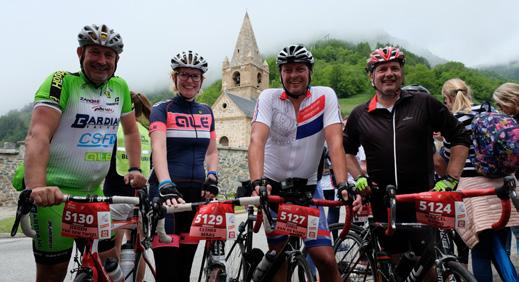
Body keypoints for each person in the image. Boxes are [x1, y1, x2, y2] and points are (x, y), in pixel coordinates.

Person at [24, 24, 146, 282]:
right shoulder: (61, 82)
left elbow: (132, 132)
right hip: (54, 193)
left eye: (109, 55)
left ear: (117, 60)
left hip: (93, 193)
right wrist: (36, 186)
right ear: (80, 52)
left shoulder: (120, 87)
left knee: (107, 263)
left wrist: (135, 168)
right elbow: (38, 135)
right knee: (52, 272)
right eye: (95, 52)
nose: (102, 61)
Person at [343, 46, 470, 277]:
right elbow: (346, 151)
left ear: (402, 73)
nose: (388, 73)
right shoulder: (360, 114)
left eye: (394, 68)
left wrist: (451, 179)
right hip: (383, 200)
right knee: (394, 266)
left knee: (426, 268)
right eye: (381, 69)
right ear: (371, 76)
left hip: (421, 198)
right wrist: (358, 177)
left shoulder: (423, 103)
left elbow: (460, 136)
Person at [248, 44, 357, 282]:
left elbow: (335, 142)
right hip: (272, 188)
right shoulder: (269, 97)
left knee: (326, 260)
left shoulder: (324, 96)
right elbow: (257, 139)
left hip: (306, 189)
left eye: (300, 69)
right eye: (288, 70)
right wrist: (258, 181)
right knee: (279, 263)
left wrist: (342, 183)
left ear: (310, 72)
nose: (294, 75)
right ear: (280, 73)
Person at [148, 50, 219, 281]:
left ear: (201, 81)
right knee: (168, 271)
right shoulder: (162, 109)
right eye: (184, 75)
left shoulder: (207, 111)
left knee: (184, 271)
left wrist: (212, 176)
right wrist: (165, 184)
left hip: (195, 195)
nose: (189, 80)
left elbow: (211, 150)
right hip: (166, 192)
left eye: (195, 76)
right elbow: (159, 148)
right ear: (174, 78)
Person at [103, 91, 152, 282]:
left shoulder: (115, 130)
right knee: (137, 247)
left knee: (112, 247)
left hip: (115, 195)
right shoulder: (146, 133)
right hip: (140, 197)